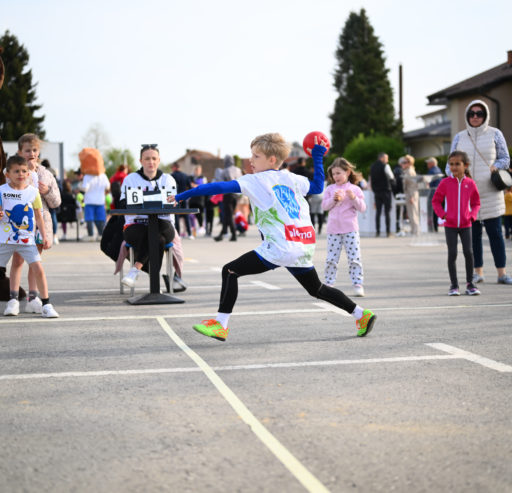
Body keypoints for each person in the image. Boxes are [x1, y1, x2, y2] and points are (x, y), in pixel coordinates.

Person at [172, 132, 376, 341]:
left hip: (280, 246)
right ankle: (361, 314)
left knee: (230, 271)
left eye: (256, 156)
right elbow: (316, 186)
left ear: (271, 159)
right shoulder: (292, 177)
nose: (251, 160)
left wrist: (182, 195)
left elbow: (217, 187)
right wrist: (317, 155)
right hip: (302, 244)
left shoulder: (255, 180)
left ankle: (221, 324)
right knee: (317, 289)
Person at [449, 99, 512, 285]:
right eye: (472, 114)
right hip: (468, 194)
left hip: (491, 192)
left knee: (496, 235)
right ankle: (478, 272)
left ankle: (502, 273)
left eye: (479, 113)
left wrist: (496, 166)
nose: (475, 117)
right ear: (467, 116)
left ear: (485, 116)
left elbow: (505, 159)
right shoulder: (460, 137)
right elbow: (449, 163)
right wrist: (454, 176)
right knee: (473, 236)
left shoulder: (495, 134)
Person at [0, 155, 59, 317]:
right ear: (7, 174)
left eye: (24, 171)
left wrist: (45, 235)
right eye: (16, 171)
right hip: (4, 239)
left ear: (28, 174)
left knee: (38, 269)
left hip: (26, 239)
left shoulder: (33, 192)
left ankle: (46, 304)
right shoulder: (2, 191)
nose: (20, 174)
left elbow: (38, 216)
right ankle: (13, 301)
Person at [120, 144, 177, 288]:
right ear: (140, 161)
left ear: (159, 160)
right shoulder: (130, 179)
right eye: (147, 159)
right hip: (135, 225)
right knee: (158, 239)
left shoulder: (168, 179)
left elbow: (174, 203)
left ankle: (135, 269)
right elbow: (122, 204)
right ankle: (155, 286)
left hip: (164, 225)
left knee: (158, 232)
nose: (150, 162)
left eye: (153, 158)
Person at [433, 151, 481, 296]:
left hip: (466, 225)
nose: (454, 167)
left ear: (465, 165)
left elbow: (476, 203)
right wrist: (443, 215)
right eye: (451, 164)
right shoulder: (445, 183)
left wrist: (472, 216)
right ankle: (454, 285)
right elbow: (436, 201)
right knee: (452, 253)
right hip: (450, 225)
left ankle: (470, 284)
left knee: (469, 252)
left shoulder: (470, 183)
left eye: (457, 164)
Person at [322, 158, 367, 297]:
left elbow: (362, 208)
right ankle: (329, 284)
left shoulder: (355, 189)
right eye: (333, 174)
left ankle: (357, 284)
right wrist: (333, 200)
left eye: (338, 173)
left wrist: (353, 198)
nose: (335, 176)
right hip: (333, 230)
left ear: (347, 172)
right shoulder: (330, 189)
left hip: (350, 229)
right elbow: (324, 206)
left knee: (354, 258)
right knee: (331, 259)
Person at [80, 150, 110, 241]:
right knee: (101, 218)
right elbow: (108, 187)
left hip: (89, 201)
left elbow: (85, 189)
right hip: (100, 200)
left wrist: (80, 188)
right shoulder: (103, 176)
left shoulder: (87, 176)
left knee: (89, 218)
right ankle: (100, 234)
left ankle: (91, 235)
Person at [214, 155, 242, 242]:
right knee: (227, 215)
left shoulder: (225, 171)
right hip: (237, 195)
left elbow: (220, 182)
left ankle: (234, 234)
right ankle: (222, 234)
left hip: (228, 195)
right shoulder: (238, 170)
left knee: (228, 216)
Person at [369, 152, 394, 237]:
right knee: (387, 212)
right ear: (382, 158)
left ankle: (378, 232)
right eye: (386, 158)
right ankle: (388, 232)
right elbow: (391, 177)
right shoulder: (386, 166)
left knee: (378, 212)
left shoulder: (372, 166)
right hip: (386, 191)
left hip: (376, 192)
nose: (387, 160)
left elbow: (371, 179)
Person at [171, 162, 193, 239]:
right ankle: (190, 234)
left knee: (176, 216)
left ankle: (178, 234)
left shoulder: (172, 176)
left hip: (176, 198)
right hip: (184, 197)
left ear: (174, 167)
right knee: (186, 216)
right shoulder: (185, 176)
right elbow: (190, 187)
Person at [400, 154, 420, 236]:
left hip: (412, 194)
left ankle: (416, 231)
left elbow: (413, 185)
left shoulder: (410, 171)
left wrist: (412, 197)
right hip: (409, 194)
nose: (403, 164)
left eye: (405, 162)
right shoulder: (407, 171)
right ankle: (413, 230)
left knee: (413, 212)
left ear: (410, 163)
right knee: (411, 213)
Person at [426, 157, 443, 232]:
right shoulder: (438, 169)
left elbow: (428, 182)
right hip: (439, 192)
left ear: (432, 163)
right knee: (436, 209)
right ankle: (435, 227)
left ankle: (432, 227)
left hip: (433, 192)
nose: (427, 165)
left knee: (431, 210)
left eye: (428, 163)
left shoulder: (432, 171)